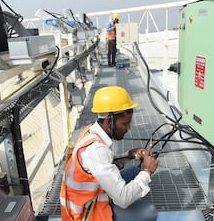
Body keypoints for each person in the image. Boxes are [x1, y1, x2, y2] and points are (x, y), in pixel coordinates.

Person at [60, 86, 159, 221]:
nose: (128, 129)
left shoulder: (90, 130)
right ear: (108, 121)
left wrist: (129, 154)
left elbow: (105, 164)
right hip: (87, 213)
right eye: (125, 124)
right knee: (149, 212)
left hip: (92, 195)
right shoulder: (96, 151)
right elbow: (123, 200)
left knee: (135, 171)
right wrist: (147, 171)